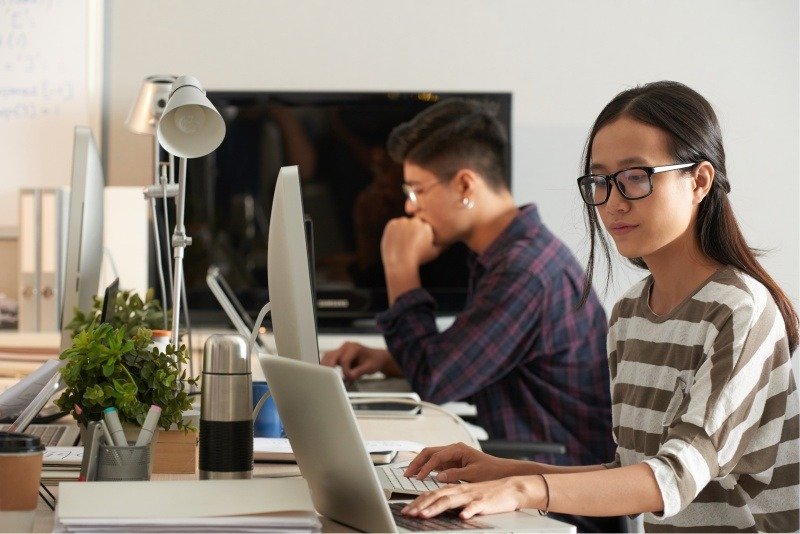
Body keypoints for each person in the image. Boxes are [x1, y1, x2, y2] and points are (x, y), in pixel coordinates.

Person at [397, 81, 800, 533]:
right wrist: (499, 470)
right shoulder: (630, 312)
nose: (612, 202)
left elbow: (672, 477)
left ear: (699, 181)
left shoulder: (738, 310)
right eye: (600, 181)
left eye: (635, 177)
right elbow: (630, 476)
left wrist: (521, 490)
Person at [322, 99, 614, 472]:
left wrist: (399, 267)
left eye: (416, 191)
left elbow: (436, 381)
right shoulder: (511, 255)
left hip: (556, 499)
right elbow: (470, 361)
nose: (410, 208)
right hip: (523, 476)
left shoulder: (524, 272)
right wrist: (388, 361)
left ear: (464, 184)